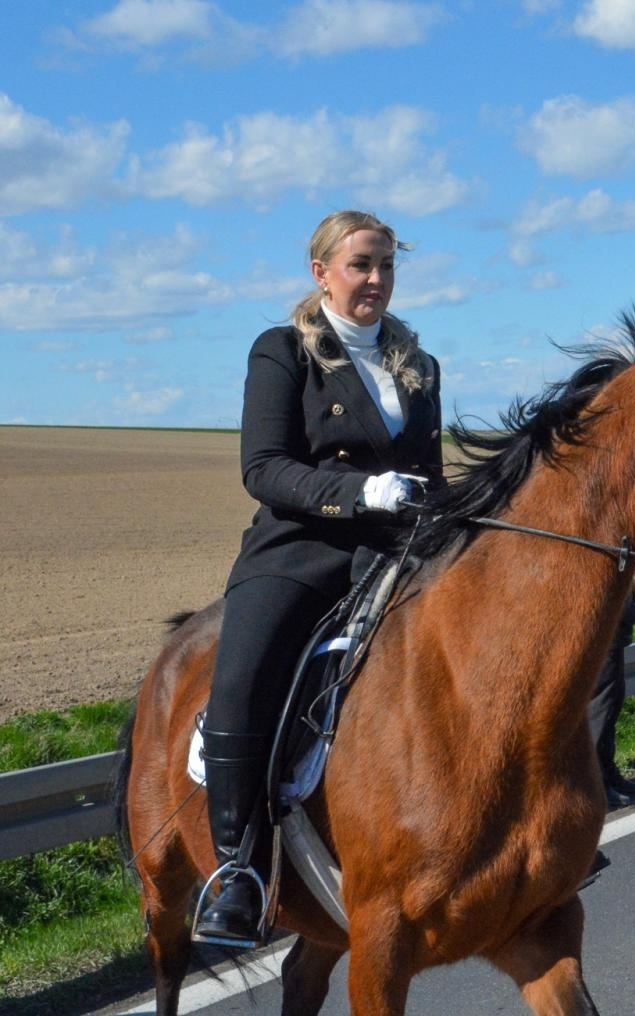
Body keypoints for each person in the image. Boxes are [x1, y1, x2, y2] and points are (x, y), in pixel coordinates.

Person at [194, 210, 444, 948]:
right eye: (362, 265)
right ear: (322, 271)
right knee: (243, 674)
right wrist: (359, 493)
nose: (376, 280)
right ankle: (237, 871)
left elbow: (426, 471)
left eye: (387, 267)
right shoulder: (283, 351)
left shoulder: (418, 363)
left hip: (397, 549)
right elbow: (262, 467)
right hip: (302, 548)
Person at [590, 594, 635, 809]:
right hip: (604, 641)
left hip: (609, 642)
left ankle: (609, 774)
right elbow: (613, 598)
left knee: (610, 711)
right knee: (600, 714)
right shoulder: (613, 561)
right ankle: (597, 786)